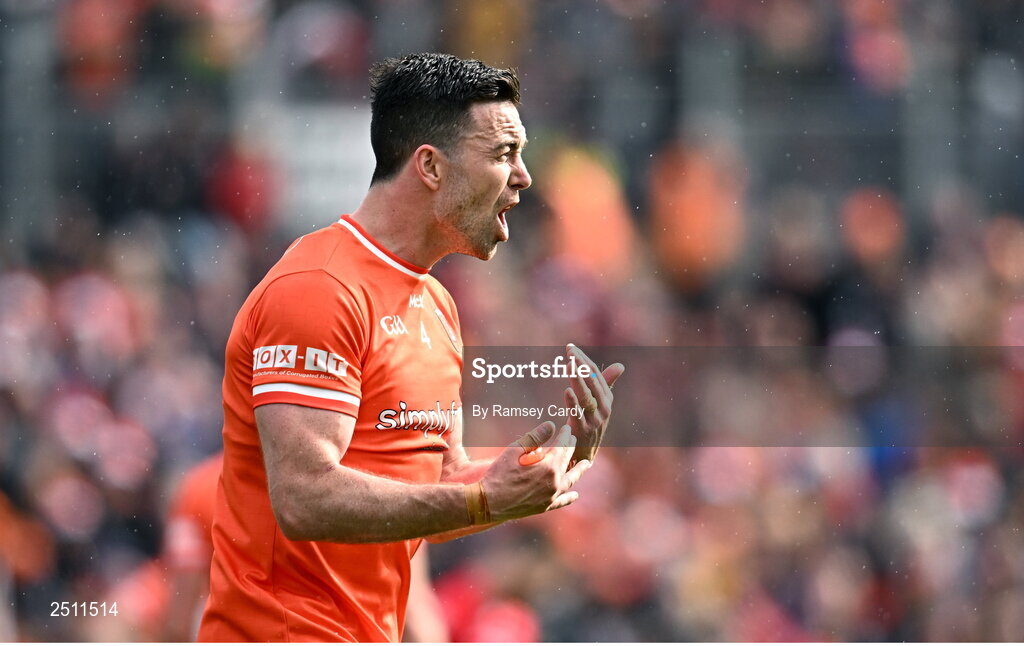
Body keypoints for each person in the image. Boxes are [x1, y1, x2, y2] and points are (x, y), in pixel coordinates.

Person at [198, 52, 624, 642]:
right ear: (430, 166)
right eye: (504, 153)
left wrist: (546, 465)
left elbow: (438, 487)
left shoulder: (436, 304)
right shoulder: (320, 290)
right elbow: (303, 498)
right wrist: (483, 502)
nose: (524, 176)